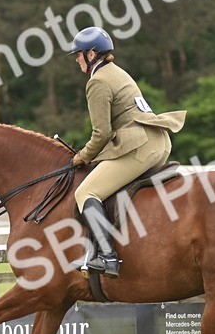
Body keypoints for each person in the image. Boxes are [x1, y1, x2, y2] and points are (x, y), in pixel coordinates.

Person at [68, 27, 186, 277]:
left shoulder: (98, 81)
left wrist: (82, 156)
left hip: (140, 147)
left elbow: (101, 133)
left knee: (86, 192)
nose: (77, 60)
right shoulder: (117, 72)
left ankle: (108, 257)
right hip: (159, 142)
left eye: (78, 54)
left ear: (91, 54)